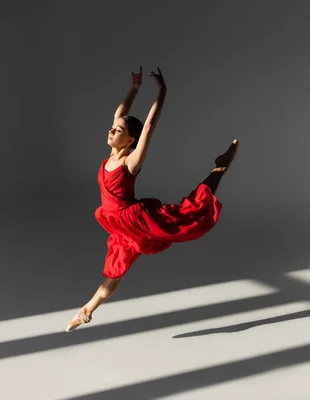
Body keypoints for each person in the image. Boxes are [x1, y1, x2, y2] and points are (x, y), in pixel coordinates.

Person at [65, 67, 238, 332]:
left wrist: (162, 91)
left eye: (118, 130)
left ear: (130, 139)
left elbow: (149, 126)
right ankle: (87, 310)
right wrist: (134, 89)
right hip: (117, 222)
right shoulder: (110, 157)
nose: (112, 131)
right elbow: (119, 113)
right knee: (115, 268)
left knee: (187, 213)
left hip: (136, 218)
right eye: (112, 128)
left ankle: (220, 168)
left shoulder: (130, 162)